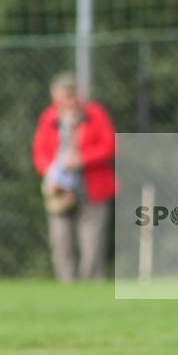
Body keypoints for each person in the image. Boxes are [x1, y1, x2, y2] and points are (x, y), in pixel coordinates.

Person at [33, 73, 116, 282]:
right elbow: (39, 152)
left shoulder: (95, 114)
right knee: (61, 242)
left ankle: (91, 285)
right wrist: (50, 172)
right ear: (56, 98)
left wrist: (83, 159)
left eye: (72, 96)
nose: (69, 102)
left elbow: (110, 146)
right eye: (64, 97)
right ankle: (67, 286)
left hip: (93, 187)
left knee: (92, 243)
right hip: (59, 189)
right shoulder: (49, 118)